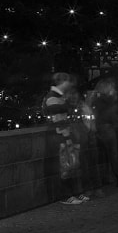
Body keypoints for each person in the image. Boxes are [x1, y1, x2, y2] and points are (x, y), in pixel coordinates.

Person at [43, 73, 88, 204]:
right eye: (68, 82)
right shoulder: (52, 97)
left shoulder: (58, 97)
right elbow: (56, 114)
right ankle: (66, 195)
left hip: (64, 133)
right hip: (59, 135)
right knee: (64, 166)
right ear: (62, 82)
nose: (70, 85)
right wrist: (69, 106)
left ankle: (75, 193)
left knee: (72, 164)